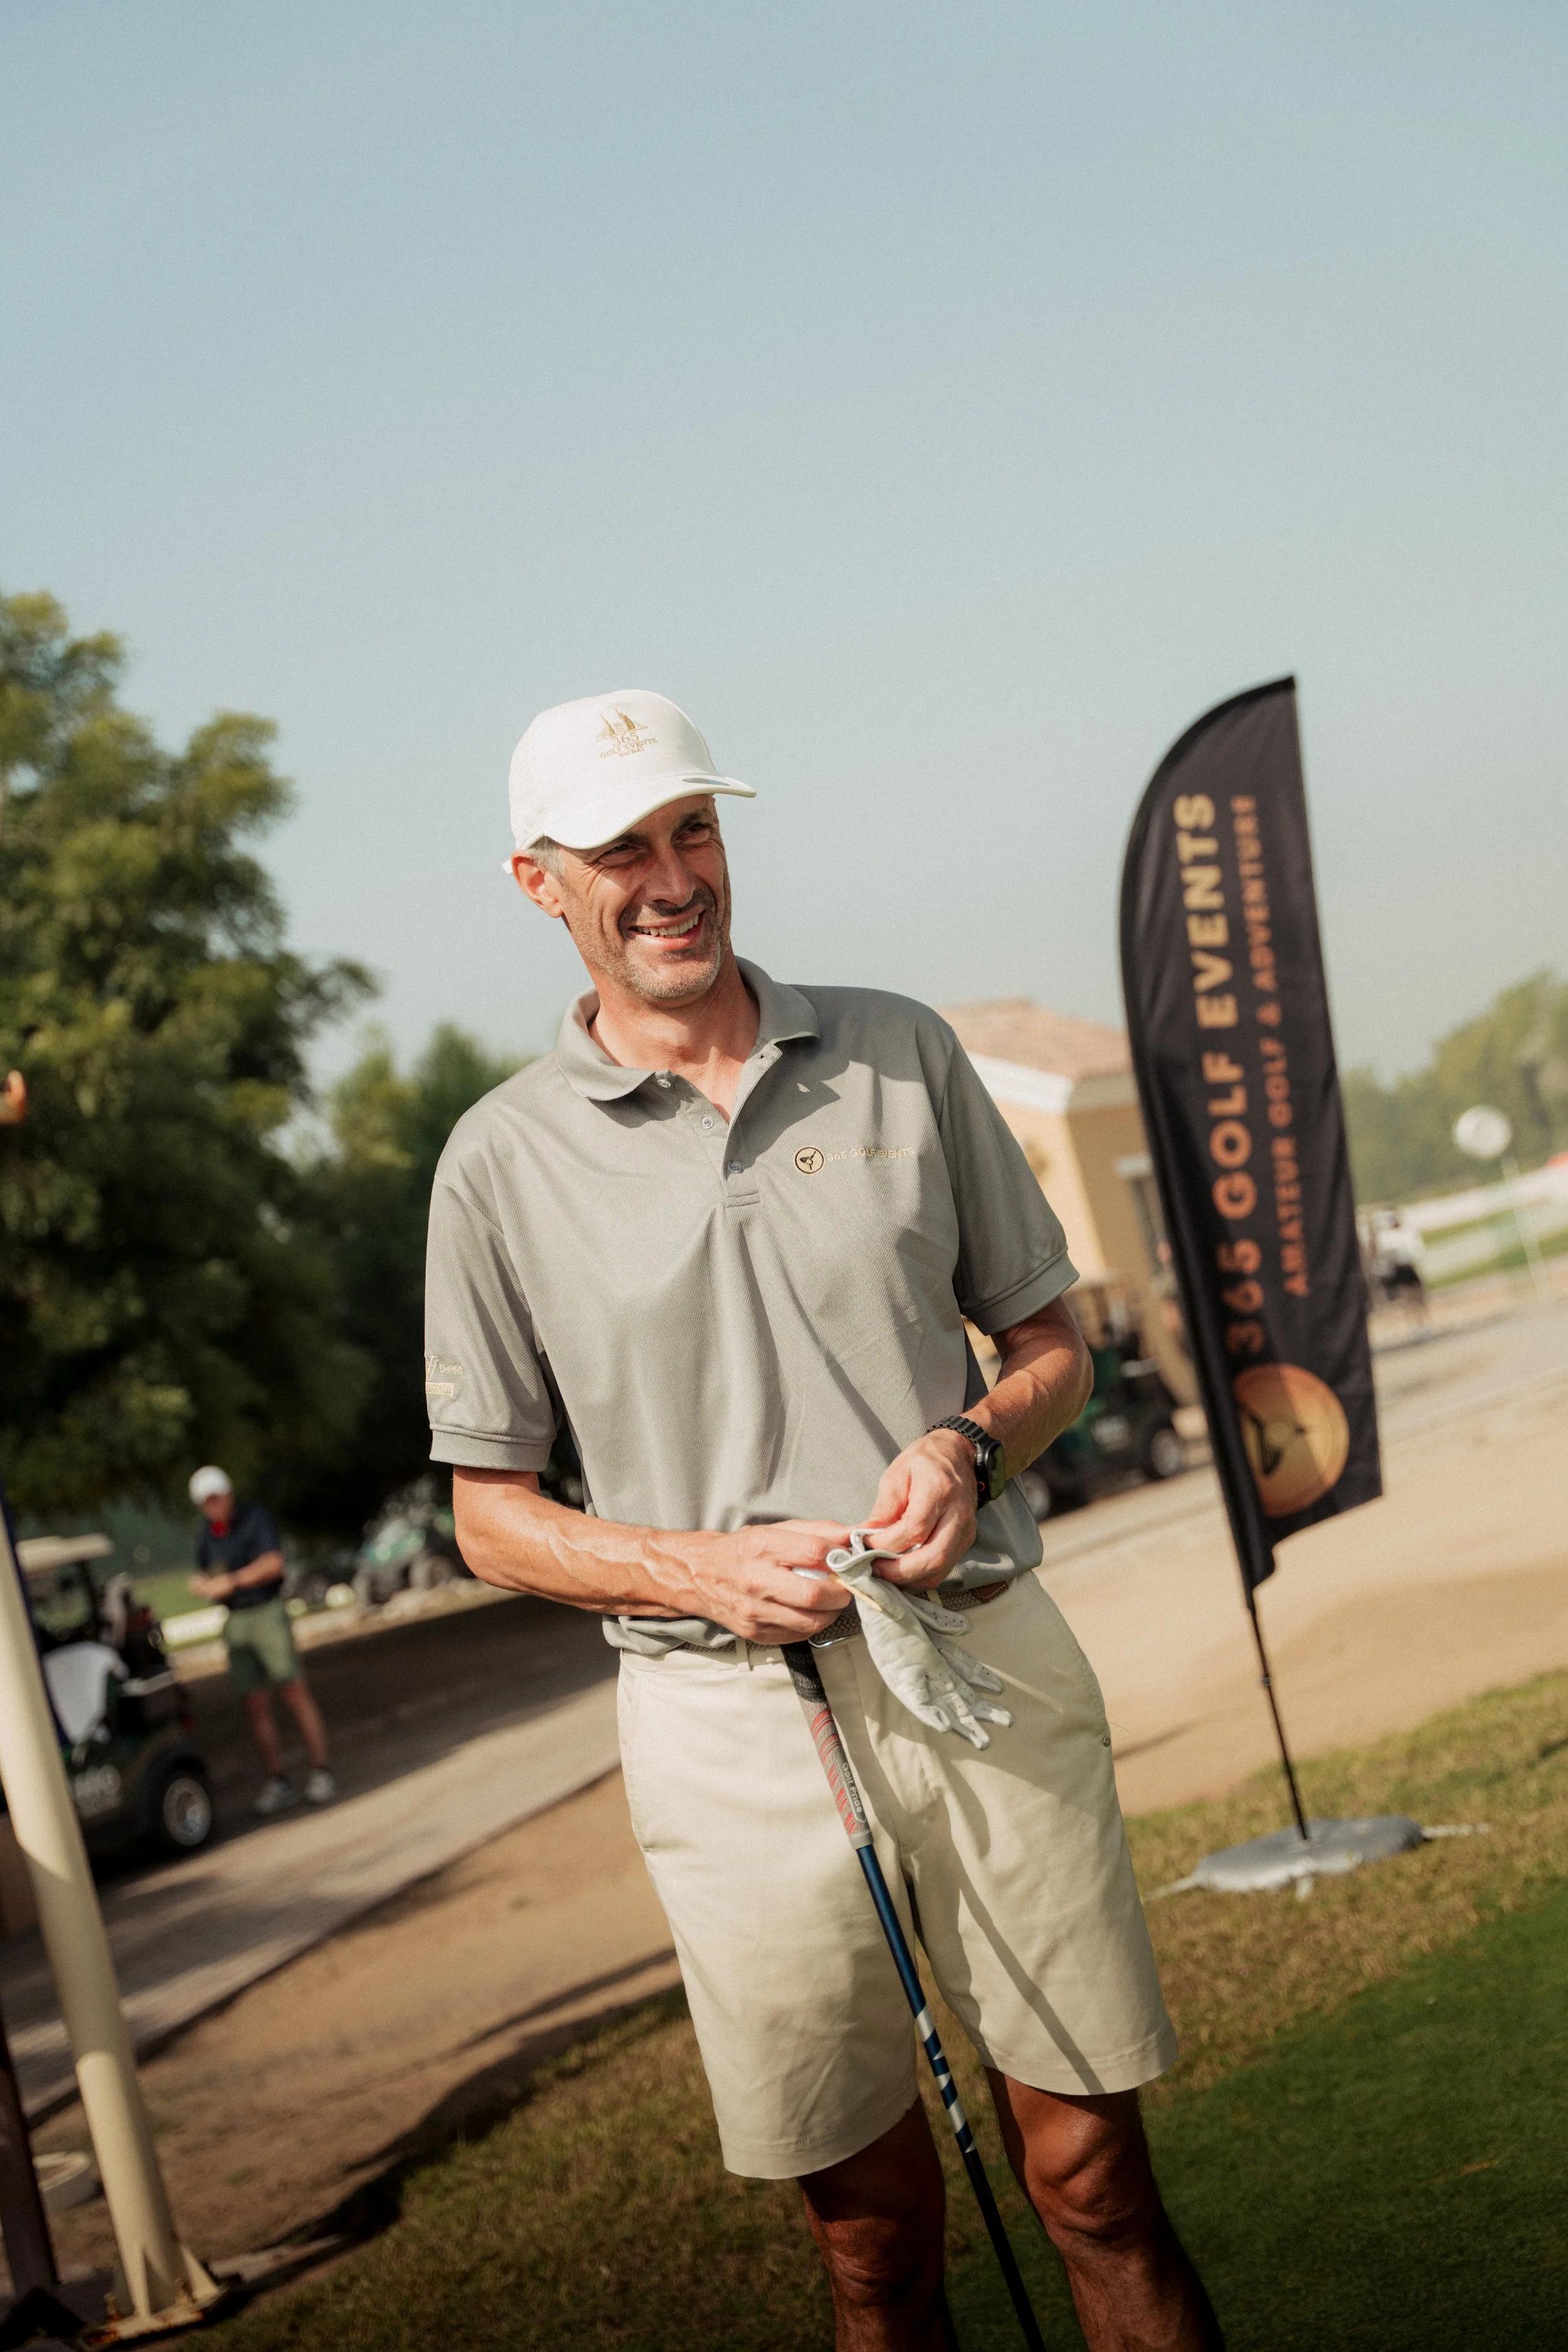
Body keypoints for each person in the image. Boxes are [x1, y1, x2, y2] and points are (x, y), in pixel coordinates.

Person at [425, 691, 1222, 2352]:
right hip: (727, 1726)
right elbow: (491, 1517)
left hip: (979, 1656)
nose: (671, 875)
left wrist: (963, 1447)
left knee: (1093, 2182)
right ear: (536, 881)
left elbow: (1051, 1345)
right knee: (871, 2247)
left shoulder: (897, 1045)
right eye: (621, 847)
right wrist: (689, 1566)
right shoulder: (495, 1162)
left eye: (693, 828)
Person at [188, 1466, 335, 1816]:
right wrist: (202, 1583)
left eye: (217, 1497)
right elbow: (205, 1572)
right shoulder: (206, 1534)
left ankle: (321, 1770)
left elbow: (273, 1563)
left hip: (266, 1610)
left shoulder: (255, 1519)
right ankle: (278, 1779)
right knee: (254, 1703)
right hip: (236, 1620)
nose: (214, 1505)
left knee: (293, 1689)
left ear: (228, 1494)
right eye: (207, 1502)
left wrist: (234, 1581)